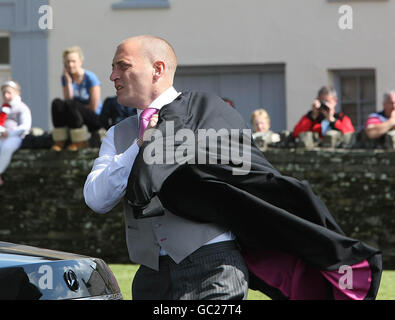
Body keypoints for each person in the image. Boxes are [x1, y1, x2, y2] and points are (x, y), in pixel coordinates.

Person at [84, 35, 249, 300]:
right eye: (113, 67)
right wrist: (139, 144)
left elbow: (244, 176)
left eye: (122, 66)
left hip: (212, 265)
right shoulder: (117, 135)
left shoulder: (205, 113)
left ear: (157, 69)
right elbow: (96, 199)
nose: (113, 75)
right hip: (151, 274)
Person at [51, 46, 103, 151]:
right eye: (67, 62)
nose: (70, 65)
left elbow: (93, 107)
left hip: (94, 118)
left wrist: (76, 108)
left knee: (72, 105)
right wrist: (69, 82)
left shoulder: (90, 77)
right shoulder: (65, 78)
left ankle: (80, 141)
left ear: (80, 61)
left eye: (73, 61)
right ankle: (60, 140)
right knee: (57, 103)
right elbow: (67, 101)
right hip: (75, 116)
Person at [0, 80, 32, 186]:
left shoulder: (22, 108)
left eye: (9, 92)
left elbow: (25, 126)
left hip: (15, 137)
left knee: (7, 147)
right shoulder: (3, 108)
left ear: (17, 93)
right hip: (2, 136)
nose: (6, 95)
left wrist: (9, 133)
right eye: (4, 93)